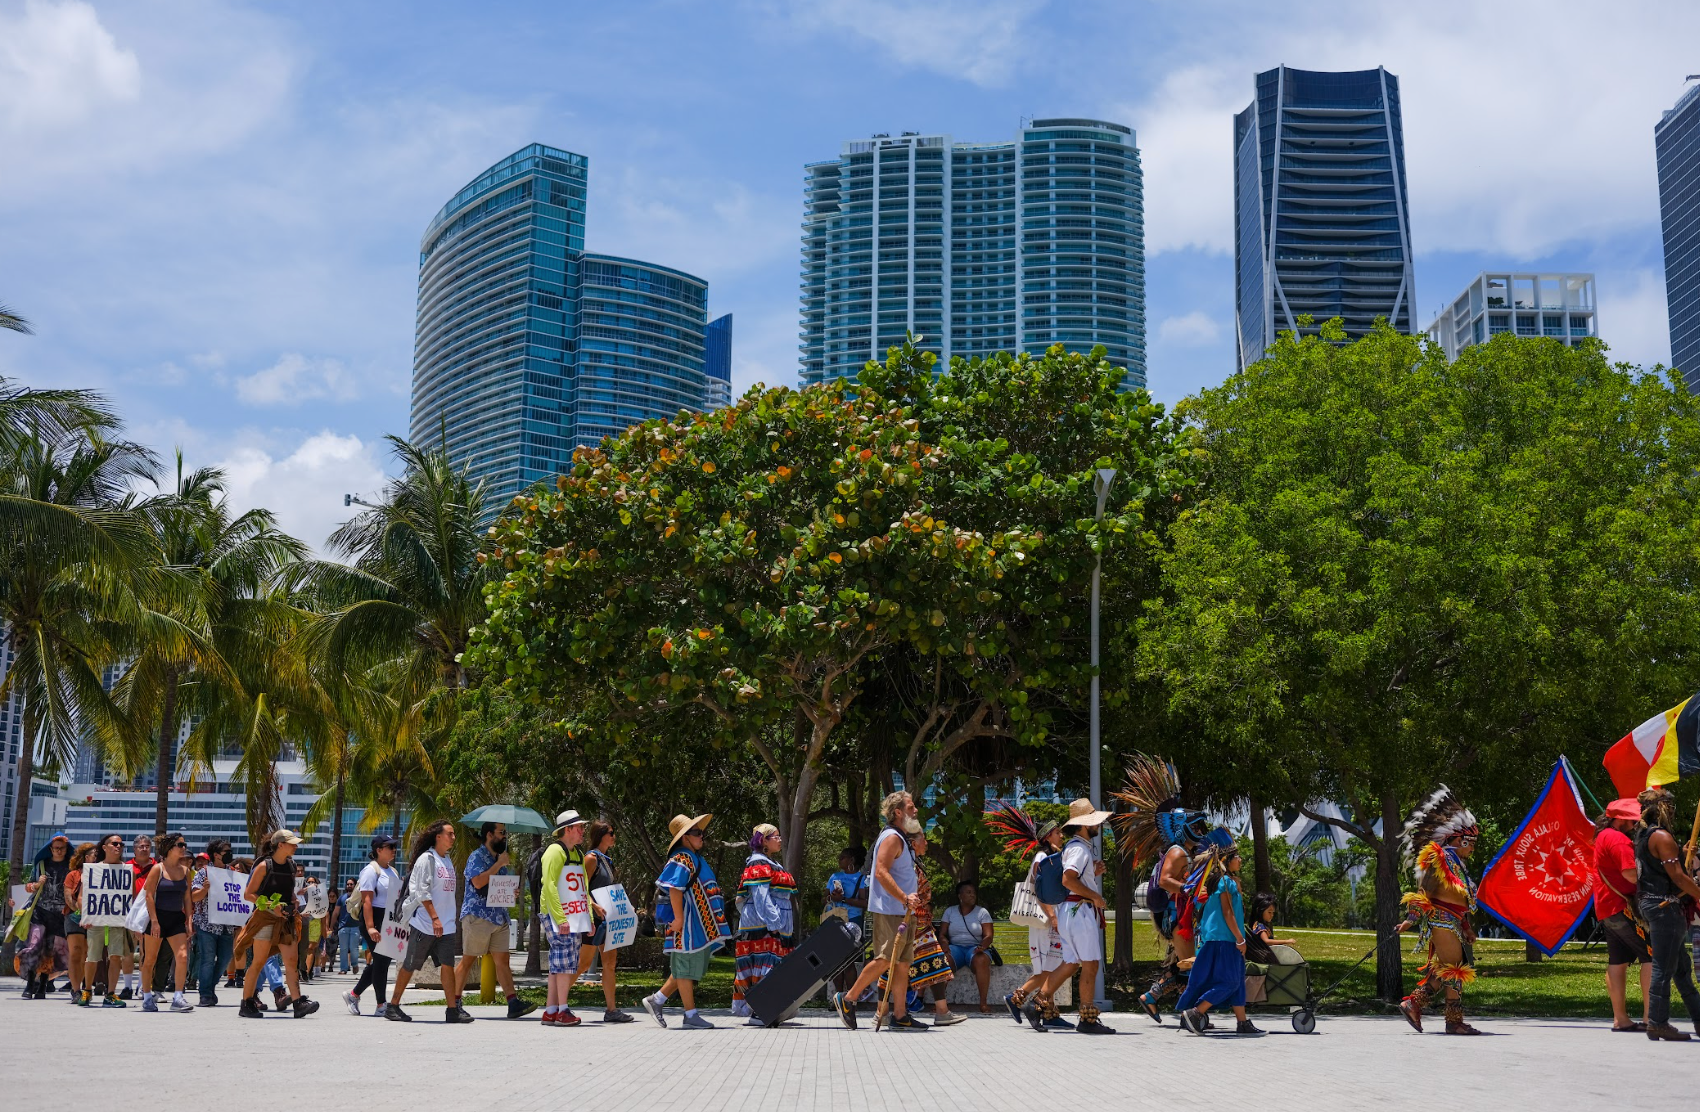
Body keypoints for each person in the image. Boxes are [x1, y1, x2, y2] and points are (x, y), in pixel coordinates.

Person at [1111, 753, 1207, 1023]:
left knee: (1185, 964)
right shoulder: (1177, 852)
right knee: (1191, 967)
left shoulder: (1180, 851)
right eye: (1195, 826)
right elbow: (1166, 881)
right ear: (1183, 829)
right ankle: (1191, 1013)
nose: (1199, 830)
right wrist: (1188, 890)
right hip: (1175, 917)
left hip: (1177, 916)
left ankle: (1152, 997)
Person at [832, 791, 928, 1032]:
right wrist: (905, 897)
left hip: (903, 910)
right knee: (885, 958)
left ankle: (899, 1014)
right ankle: (848, 998)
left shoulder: (901, 839)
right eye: (910, 807)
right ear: (898, 812)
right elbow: (880, 872)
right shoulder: (892, 838)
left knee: (903, 963)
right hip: (892, 909)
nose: (915, 811)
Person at [1020, 798, 1114, 1035]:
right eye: (1094, 823)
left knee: (1071, 963)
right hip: (1079, 912)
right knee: (1091, 964)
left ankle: (1037, 1004)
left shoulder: (1074, 847)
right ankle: (1087, 1018)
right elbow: (1068, 879)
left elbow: (1072, 878)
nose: (1098, 827)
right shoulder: (1080, 849)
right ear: (1084, 825)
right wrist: (1095, 896)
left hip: (1068, 913)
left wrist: (1092, 872)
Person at [1396, 785, 1484, 1035]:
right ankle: (1451, 1021)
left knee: (1447, 968)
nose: (1472, 849)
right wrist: (1410, 920)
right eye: (1471, 843)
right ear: (1459, 839)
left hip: (1454, 921)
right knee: (1454, 968)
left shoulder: (1457, 864)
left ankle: (1415, 1004)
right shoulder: (1439, 857)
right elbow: (1424, 890)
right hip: (1442, 920)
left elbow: (1461, 898)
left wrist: (1467, 926)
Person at [642, 812, 729, 1030]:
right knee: (684, 964)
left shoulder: (694, 857)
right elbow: (675, 889)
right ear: (685, 837)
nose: (702, 836)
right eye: (697, 833)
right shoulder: (682, 858)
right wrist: (679, 918)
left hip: (698, 925)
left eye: (702, 832)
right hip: (688, 923)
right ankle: (690, 1014)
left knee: (686, 966)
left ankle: (657, 1000)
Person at [876, 822, 961, 1027]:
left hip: (916, 920)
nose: (927, 842)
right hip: (910, 920)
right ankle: (881, 1010)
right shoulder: (909, 866)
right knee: (893, 964)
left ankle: (885, 1012)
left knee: (908, 965)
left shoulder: (914, 863)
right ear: (913, 843)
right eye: (923, 838)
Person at [1634, 786, 1700, 1041]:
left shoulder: (1643, 835)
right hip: (1665, 907)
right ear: (1661, 808)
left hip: (1654, 904)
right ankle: (1658, 1023)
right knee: (1663, 967)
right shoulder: (1661, 837)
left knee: (1680, 968)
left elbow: (1666, 866)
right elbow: (1677, 877)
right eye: (1670, 807)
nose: (1673, 812)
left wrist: (1684, 852)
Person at [452, 821, 537, 1020]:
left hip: (498, 917)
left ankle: (512, 1002)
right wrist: (499, 864)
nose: (505, 836)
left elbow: (497, 886)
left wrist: (511, 891)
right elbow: (478, 881)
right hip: (478, 916)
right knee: (468, 960)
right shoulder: (477, 857)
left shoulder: (498, 858)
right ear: (490, 835)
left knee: (503, 961)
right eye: (501, 833)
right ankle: (454, 1002)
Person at [386, 819, 468, 1023]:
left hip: (446, 925)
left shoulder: (447, 861)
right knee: (410, 964)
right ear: (438, 836)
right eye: (450, 833)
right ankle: (393, 1005)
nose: (453, 837)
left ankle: (452, 1010)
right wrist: (434, 918)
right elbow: (421, 892)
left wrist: (446, 920)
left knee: (447, 965)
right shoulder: (427, 859)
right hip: (425, 924)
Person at [991, 816, 1069, 1028]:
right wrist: (1052, 916)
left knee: (1052, 967)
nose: (1061, 836)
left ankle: (1050, 1013)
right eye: (1057, 832)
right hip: (1044, 921)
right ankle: (1016, 998)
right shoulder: (1042, 857)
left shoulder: (1051, 856)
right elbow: (1039, 890)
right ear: (1048, 836)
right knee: (1046, 969)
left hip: (1050, 920)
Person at [1173, 845, 1260, 1035]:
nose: (1241, 860)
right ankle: (1196, 1012)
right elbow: (1228, 913)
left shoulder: (1224, 881)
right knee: (1230, 982)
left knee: (1236, 980)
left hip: (1220, 938)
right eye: (1237, 856)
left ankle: (1242, 1023)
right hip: (1225, 939)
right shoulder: (1225, 882)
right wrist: (1240, 939)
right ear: (1227, 860)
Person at [234, 829, 319, 1018]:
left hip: (286, 919)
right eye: (292, 843)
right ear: (280, 845)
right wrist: (273, 907)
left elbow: (288, 891)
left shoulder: (291, 865)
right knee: (259, 961)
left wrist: (293, 900)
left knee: (291, 961)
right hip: (265, 917)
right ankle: (246, 1003)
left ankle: (298, 1003)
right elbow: (249, 894)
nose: (296, 846)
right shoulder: (264, 866)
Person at [1593, 798, 1652, 1033]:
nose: (1634, 822)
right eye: (1630, 818)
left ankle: (1621, 1019)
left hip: (1608, 906)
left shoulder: (1604, 836)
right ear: (1619, 819)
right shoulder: (1617, 839)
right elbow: (1630, 874)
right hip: (1623, 906)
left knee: (1617, 961)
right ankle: (1651, 1018)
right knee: (1653, 956)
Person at [731, 823, 797, 1023]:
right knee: (766, 966)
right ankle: (759, 1010)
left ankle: (768, 1007)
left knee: (772, 965)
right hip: (764, 925)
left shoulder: (768, 862)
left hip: (772, 924)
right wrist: (774, 922)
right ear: (764, 840)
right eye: (775, 836)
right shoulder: (758, 862)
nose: (780, 840)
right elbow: (761, 897)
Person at [538, 809, 591, 1026]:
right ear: (567, 829)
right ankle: (563, 1011)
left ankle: (551, 1010)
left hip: (574, 915)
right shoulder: (554, 852)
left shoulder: (577, 854)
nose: (582, 831)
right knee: (563, 962)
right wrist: (560, 918)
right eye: (579, 827)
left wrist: (588, 919)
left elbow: (583, 887)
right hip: (557, 914)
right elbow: (549, 885)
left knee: (561, 962)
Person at [579, 820, 633, 1023]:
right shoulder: (591, 859)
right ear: (601, 835)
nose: (614, 835)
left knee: (610, 963)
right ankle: (558, 1004)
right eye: (611, 832)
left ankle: (611, 1010)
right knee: (583, 964)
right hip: (593, 920)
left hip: (608, 919)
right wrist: (594, 906)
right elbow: (581, 888)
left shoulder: (607, 860)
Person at [138, 832, 196, 1012]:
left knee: (183, 957)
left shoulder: (185, 871)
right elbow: (148, 895)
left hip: (176, 919)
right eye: (180, 845)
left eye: (184, 845)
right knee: (150, 960)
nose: (184, 848)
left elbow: (187, 897)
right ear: (170, 848)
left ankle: (178, 997)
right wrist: (154, 921)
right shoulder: (158, 869)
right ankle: (147, 996)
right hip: (158, 918)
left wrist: (189, 919)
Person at [344, 835, 400, 1016]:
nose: (393, 850)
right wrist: (370, 927)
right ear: (378, 850)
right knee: (381, 962)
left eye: (394, 847)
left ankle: (354, 995)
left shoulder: (392, 871)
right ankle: (381, 1005)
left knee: (381, 962)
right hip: (373, 918)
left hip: (389, 919)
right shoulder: (370, 871)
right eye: (389, 846)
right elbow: (367, 900)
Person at [12, 832, 72, 1000]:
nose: (59, 851)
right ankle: (30, 984)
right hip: (40, 912)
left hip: (60, 915)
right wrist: (37, 884)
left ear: (66, 849)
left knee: (50, 952)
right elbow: (28, 886)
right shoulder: (41, 865)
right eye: (56, 848)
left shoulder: (71, 866)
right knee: (34, 946)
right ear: (50, 849)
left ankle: (42, 987)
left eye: (62, 848)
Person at [189, 840, 238, 1009]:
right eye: (226, 851)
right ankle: (205, 994)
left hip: (227, 924)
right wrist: (204, 890)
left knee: (224, 959)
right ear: (216, 855)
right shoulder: (204, 873)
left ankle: (209, 988)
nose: (230, 853)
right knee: (207, 959)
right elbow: (194, 897)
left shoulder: (233, 873)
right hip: (206, 924)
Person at [83, 834, 130, 1007]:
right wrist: (86, 915)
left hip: (118, 920)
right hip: (96, 918)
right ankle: (87, 990)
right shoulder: (93, 869)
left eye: (121, 844)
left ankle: (110, 994)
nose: (118, 847)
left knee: (116, 956)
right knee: (92, 956)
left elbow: (129, 897)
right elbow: (84, 895)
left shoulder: (126, 869)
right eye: (114, 843)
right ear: (104, 847)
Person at [941, 880, 995, 1013]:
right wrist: (944, 943)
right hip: (956, 947)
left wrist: (982, 946)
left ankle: (983, 1003)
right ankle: (941, 1004)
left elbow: (989, 936)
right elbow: (942, 934)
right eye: (968, 892)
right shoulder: (950, 911)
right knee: (943, 960)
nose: (972, 895)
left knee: (981, 960)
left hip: (975, 947)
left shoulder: (982, 912)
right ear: (960, 896)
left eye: (974, 893)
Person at [823, 847, 867, 996]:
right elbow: (824, 899)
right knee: (836, 960)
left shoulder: (861, 879)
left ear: (851, 860)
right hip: (835, 919)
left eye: (842, 857)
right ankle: (838, 996)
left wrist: (843, 899)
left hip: (853, 920)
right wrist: (832, 897)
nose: (839, 860)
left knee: (848, 960)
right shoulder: (834, 876)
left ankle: (850, 997)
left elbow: (864, 903)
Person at [61, 841, 95, 1005]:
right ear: (85, 857)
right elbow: (68, 898)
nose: (96, 857)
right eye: (93, 854)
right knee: (75, 952)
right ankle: (75, 990)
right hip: (74, 917)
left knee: (87, 955)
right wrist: (81, 912)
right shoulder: (73, 875)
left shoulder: (100, 873)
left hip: (94, 919)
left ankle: (85, 987)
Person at [122, 834, 154, 999]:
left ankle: (142, 986)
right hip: (128, 914)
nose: (144, 849)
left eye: (147, 846)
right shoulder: (125, 867)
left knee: (145, 952)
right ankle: (127, 987)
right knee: (127, 951)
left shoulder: (157, 867)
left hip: (148, 914)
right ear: (134, 849)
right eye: (141, 846)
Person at [1244, 892, 1296, 965]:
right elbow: (1266, 941)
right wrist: (1287, 941)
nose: (1272, 915)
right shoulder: (1260, 926)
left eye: (1273, 913)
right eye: (1269, 912)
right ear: (1260, 911)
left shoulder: (1256, 924)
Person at [224, 858, 251, 988]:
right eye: (235, 868)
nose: (237, 870)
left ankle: (239, 976)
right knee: (230, 949)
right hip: (229, 916)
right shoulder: (227, 880)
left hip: (243, 917)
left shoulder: (248, 881)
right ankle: (230, 977)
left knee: (239, 947)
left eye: (240, 868)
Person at [334, 878, 363, 975]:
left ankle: (354, 964)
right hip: (343, 927)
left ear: (355, 886)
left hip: (355, 926)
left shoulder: (359, 898)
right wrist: (331, 925)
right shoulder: (341, 898)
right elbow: (336, 912)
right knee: (343, 949)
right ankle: (344, 968)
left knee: (354, 948)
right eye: (348, 884)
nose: (349, 886)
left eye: (351, 884)